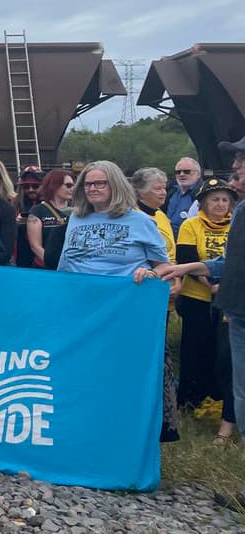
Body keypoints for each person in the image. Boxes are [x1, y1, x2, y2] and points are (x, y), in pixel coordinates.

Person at [59, 160, 177, 442]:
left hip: (122, 312)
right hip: (83, 310)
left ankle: (129, 433)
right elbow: (65, 264)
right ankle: (86, 429)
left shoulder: (140, 221)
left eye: (101, 183)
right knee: (86, 370)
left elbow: (165, 267)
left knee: (121, 372)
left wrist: (150, 273)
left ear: (116, 185)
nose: (93, 188)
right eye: (88, 184)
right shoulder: (76, 218)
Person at [160, 136, 244, 450]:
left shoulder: (237, 215)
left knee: (230, 367)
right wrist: (184, 270)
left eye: (241, 159)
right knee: (205, 356)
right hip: (217, 304)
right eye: (215, 200)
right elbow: (221, 260)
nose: (235, 166)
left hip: (231, 302)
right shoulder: (214, 220)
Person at [174, 179, 236, 411]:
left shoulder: (236, 225)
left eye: (224, 200)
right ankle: (190, 398)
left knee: (222, 352)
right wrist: (210, 284)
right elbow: (187, 259)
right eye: (214, 200)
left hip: (227, 299)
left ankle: (219, 397)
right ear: (202, 203)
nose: (220, 205)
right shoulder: (191, 225)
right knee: (194, 349)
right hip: (197, 298)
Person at [22, 169, 75, 269]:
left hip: (73, 268)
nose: (72, 189)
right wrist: (54, 264)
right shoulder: (37, 211)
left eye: (73, 185)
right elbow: (35, 246)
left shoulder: (78, 211)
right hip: (46, 268)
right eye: (68, 185)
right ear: (54, 186)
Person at [132, 167, 178, 263]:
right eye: (157, 189)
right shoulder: (132, 217)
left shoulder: (161, 215)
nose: (163, 193)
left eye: (164, 188)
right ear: (141, 192)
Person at [167, 156, 203, 238]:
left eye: (187, 171)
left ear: (198, 174)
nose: (181, 174)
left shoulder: (202, 194)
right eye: (178, 172)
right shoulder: (170, 192)